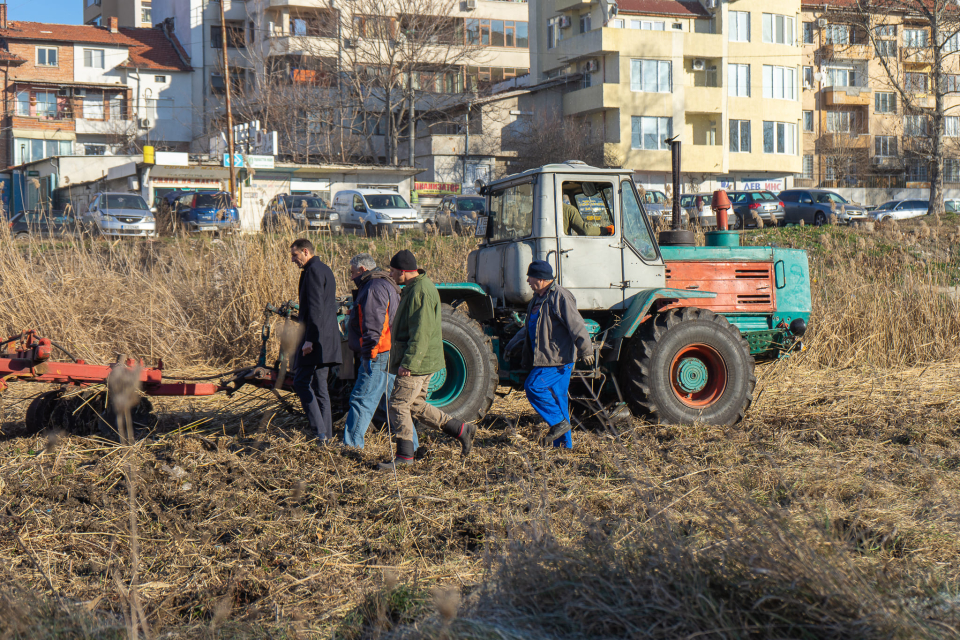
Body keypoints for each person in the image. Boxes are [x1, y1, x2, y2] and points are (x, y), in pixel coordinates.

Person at [378, 249, 476, 470]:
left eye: (393, 271)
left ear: (404, 272)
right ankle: (461, 430)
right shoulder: (415, 287)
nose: (391, 275)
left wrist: (408, 364)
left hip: (416, 363)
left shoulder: (419, 291)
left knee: (398, 404)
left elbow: (421, 333)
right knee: (416, 405)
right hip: (422, 361)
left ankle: (404, 457)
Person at [504, 260, 594, 449]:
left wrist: (585, 349)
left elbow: (576, 324)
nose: (527, 280)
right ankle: (564, 446)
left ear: (541, 278)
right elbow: (528, 328)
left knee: (533, 386)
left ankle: (558, 424)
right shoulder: (537, 299)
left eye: (530, 276)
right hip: (544, 358)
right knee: (559, 400)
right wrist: (512, 345)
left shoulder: (560, 296)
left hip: (558, 359)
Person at [342, 253, 417, 451]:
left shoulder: (373, 288)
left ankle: (352, 448)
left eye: (352, 272)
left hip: (378, 353)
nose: (351, 277)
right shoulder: (385, 284)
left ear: (362, 270)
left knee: (362, 400)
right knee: (396, 403)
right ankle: (412, 446)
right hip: (389, 351)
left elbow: (375, 324)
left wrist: (368, 353)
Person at [290, 238, 342, 442]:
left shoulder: (311, 272)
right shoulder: (325, 269)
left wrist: (309, 340)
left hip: (316, 340)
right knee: (321, 388)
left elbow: (314, 308)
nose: (293, 260)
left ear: (305, 251)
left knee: (301, 382)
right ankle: (326, 436)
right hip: (329, 340)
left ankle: (319, 432)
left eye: (295, 255)